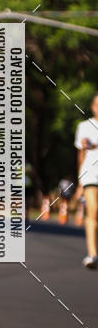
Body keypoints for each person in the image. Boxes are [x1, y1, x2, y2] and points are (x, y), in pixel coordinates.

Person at [74, 93, 98, 269]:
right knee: (93, 210)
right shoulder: (84, 126)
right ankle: (92, 254)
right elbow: (81, 155)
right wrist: (80, 182)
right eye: (97, 104)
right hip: (91, 175)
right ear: (92, 106)